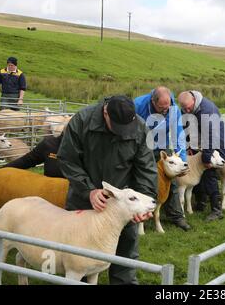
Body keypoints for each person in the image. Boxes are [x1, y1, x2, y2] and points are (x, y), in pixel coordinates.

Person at [57, 95, 156, 285]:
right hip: (84, 199)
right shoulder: (82, 121)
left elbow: (146, 168)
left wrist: (144, 206)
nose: (122, 133)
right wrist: (89, 190)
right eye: (117, 127)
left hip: (123, 204)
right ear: (105, 112)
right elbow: (67, 159)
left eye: (126, 128)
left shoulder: (141, 128)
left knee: (124, 253)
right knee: (80, 256)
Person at [134, 86, 191, 231]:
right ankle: (137, 215)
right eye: (161, 108)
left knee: (169, 178)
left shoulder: (173, 109)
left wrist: (183, 161)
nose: (165, 111)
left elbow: (179, 134)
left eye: (168, 107)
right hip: (140, 146)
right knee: (141, 178)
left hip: (161, 145)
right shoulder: (138, 105)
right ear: (153, 101)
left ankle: (177, 216)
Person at [178, 90, 225, 221]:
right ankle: (201, 202)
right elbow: (187, 126)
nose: (186, 110)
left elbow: (212, 137)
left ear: (194, 101)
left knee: (208, 173)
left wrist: (206, 158)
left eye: (188, 107)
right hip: (202, 143)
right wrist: (189, 146)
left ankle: (216, 209)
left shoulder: (207, 110)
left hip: (219, 145)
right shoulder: (187, 109)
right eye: (184, 108)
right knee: (196, 171)